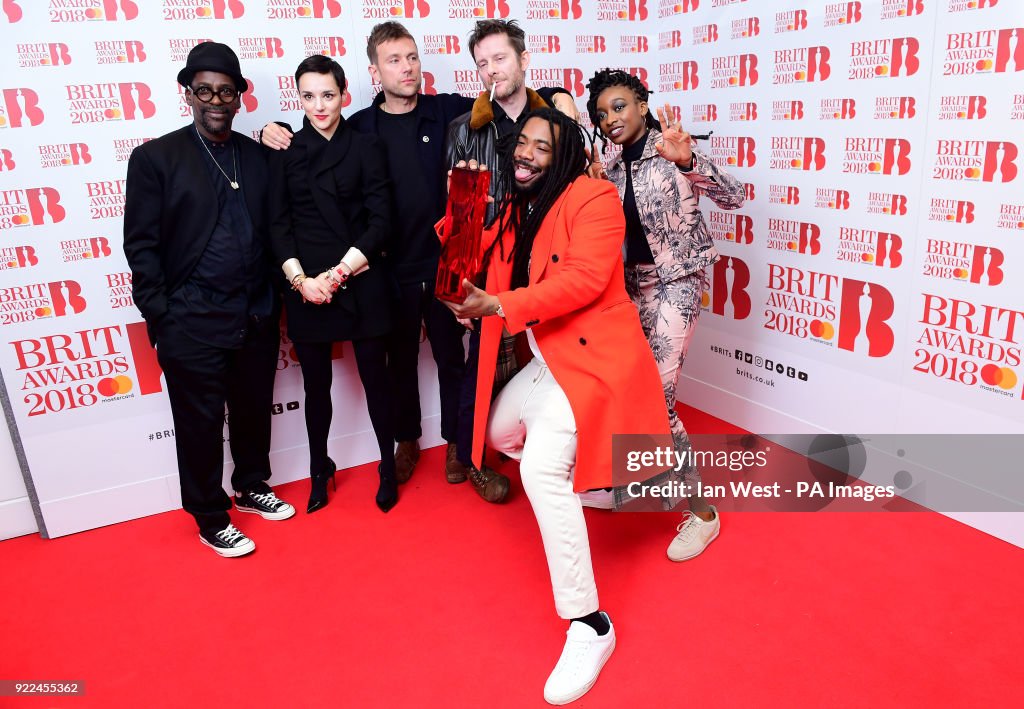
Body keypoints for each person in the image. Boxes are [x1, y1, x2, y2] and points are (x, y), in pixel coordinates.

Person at [262, 20, 573, 504]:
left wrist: (557, 95)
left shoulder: (448, 109)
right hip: (385, 268)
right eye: (393, 60)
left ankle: (455, 443)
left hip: (448, 265)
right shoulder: (359, 125)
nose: (406, 68)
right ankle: (406, 440)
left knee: (452, 357)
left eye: (411, 57)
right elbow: (312, 132)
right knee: (398, 361)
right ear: (373, 72)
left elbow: (507, 93)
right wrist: (271, 131)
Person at [441, 108, 671, 705]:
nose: (527, 153)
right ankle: (591, 481)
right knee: (497, 431)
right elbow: (467, 255)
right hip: (552, 361)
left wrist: (497, 307)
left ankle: (590, 626)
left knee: (542, 470)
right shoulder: (523, 206)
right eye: (522, 143)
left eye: (543, 146)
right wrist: (462, 204)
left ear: (564, 153)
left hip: (595, 360)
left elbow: (586, 279)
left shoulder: (593, 195)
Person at [123, 42, 294, 558]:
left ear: (240, 97)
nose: (215, 100)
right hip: (191, 318)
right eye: (204, 90)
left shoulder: (258, 156)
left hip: (255, 312)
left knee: (250, 410)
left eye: (226, 90)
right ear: (188, 95)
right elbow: (141, 245)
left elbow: (277, 226)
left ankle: (250, 485)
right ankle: (209, 514)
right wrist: (163, 316)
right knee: (199, 424)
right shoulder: (155, 158)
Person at [586, 69, 746, 560]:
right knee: (622, 385)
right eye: (602, 114)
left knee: (657, 394)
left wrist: (691, 160)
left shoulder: (672, 146)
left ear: (640, 102)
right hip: (628, 287)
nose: (611, 118)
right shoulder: (607, 168)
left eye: (619, 106)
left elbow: (734, 196)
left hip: (678, 281)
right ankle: (628, 483)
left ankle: (701, 514)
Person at [443, 18, 579, 504]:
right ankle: (473, 456)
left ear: (524, 60)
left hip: (550, 262)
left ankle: (569, 454)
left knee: (560, 357)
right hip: (491, 266)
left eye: (500, 58)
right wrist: (456, 287)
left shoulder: (557, 122)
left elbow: (578, 187)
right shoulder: (465, 130)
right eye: (482, 63)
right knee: (482, 362)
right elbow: (458, 215)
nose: (491, 70)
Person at [267, 55, 397, 514]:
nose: (319, 106)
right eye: (308, 96)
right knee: (315, 388)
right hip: (307, 288)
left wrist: (339, 274)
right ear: (297, 97)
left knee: (376, 380)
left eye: (328, 95)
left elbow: (383, 220)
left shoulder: (366, 146)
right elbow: (277, 226)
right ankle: (319, 466)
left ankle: (387, 462)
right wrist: (302, 281)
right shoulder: (284, 152)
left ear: (344, 94)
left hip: (358, 276)